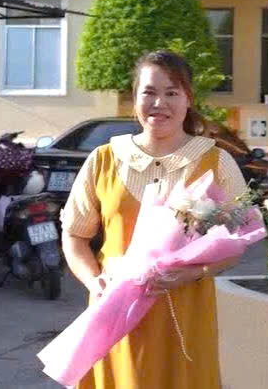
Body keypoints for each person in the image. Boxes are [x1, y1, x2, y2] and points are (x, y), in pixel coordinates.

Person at [61, 50, 247, 388]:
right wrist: (94, 281)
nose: (159, 102)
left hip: (184, 314)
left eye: (172, 92)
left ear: (188, 99)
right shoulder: (103, 160)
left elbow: (236, 242)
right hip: (115, 312)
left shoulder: (215, 163)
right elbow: (74, 237)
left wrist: (195, 272)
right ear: (134, 100)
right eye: (149, 92)